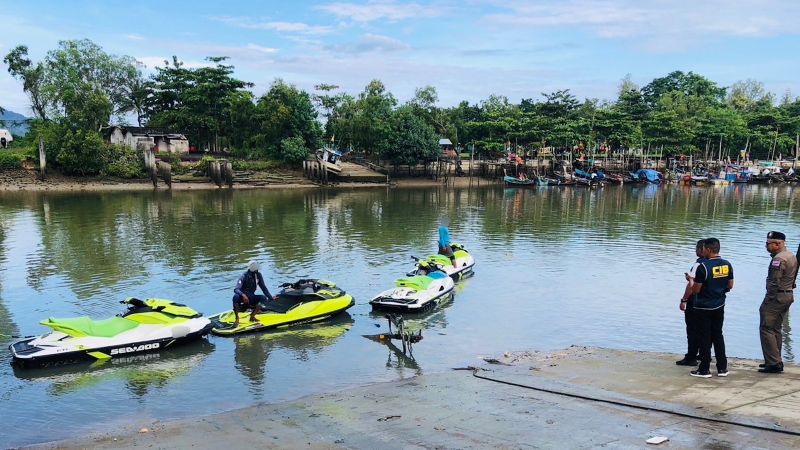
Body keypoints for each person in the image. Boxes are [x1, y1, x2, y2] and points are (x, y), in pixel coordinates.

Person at [689, 238, 734, 378]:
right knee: (718, 335)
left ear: (708, 250)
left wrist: (690, 279)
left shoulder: (703, 266)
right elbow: (730, 285)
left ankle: (704, 369)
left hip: (703, 307)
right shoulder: (727, 264)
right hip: (719, 305)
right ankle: (722, 368)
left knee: (704, 337)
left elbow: (695, 290)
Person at [758, 231, 798, 373]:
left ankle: (773, 362)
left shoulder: (779, 259)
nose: (766, 246)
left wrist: (768, 300)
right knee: (775, 328)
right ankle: (775, 359)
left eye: (769, 243)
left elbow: (775, 282)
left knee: (766, 328)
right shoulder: (791, 255)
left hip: (777, 297)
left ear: (778, 243)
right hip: (787, 295)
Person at [676, 240, 706, 366]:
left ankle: (691, 357)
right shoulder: (717, 264)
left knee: (692, 330)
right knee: (705, 330)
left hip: (696, 301)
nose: (696, 251)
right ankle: (704, 354)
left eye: (697, 248)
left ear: (703, 249)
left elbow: (691, 286)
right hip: (711, 302)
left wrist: (684, 300)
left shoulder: (698, 264)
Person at [232, 261, 274, 327]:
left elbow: (264, 288)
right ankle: (237, 318)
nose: (257, 270)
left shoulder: (258, 275)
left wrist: (271, 298)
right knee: (235, 297)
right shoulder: (244, 276)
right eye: (256, 269)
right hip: (242, 297)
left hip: (251, 297)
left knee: (263, 298)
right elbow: (236, 289)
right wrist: (243, 295)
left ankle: (252, 316)